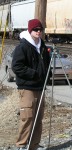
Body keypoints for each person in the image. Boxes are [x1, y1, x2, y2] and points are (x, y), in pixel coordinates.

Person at [12, 19, 51, 150]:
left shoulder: (42, 46)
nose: (39, 32)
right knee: (27, 117)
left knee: (38, 119)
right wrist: (34, 74)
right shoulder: (23, 46)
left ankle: (34, 145)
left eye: (40, 29)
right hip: (27, 87)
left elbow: (47, 64)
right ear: (30, 30)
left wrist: (47, 75)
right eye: (36, 29)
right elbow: (16, 66)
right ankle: (22, 145)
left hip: (40, 87)